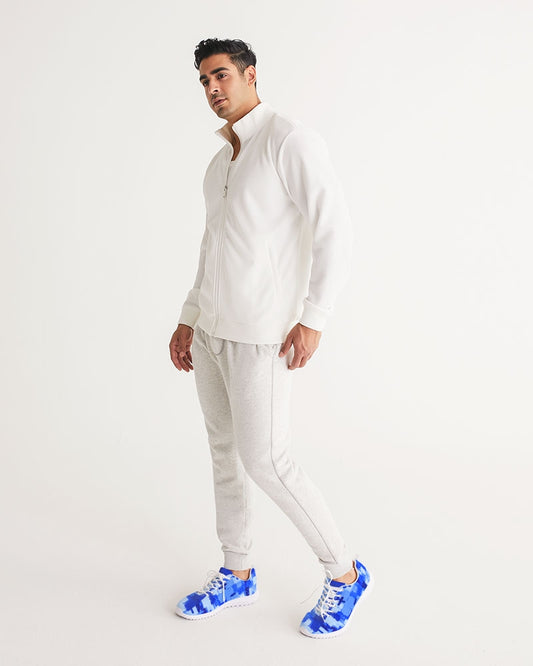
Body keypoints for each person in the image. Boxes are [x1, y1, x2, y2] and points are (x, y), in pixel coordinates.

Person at [169, 37, 372, 638]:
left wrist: (315, 316)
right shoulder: (219, 164)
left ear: (250, 74)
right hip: (210, 333)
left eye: (221, 75)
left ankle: (344, 573)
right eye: (204, 80)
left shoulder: (289, 140)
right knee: (225, 454)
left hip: (262, 336)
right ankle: (237, 571)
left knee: (268, 461)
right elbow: (212, 246)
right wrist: (188, 315)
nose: (212, 88)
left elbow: (335, 229)